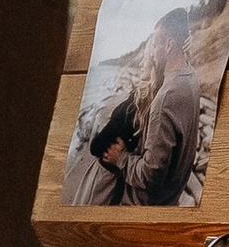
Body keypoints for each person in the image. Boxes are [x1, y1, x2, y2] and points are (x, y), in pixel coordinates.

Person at [81, 13, 205, 210]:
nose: (152, 54)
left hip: (141, 205)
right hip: (168, 200)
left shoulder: (163, 99)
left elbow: (150, 174)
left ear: (169, 44)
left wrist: (121, 158)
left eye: (155, 46)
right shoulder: (190, 78)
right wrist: (182, 46)